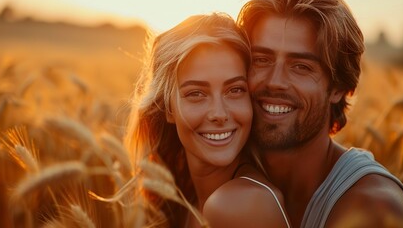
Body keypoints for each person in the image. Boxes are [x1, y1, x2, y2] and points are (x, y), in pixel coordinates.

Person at [236, 0, 403, 227]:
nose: (274, 81)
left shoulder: (374, 210)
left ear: (339, 87)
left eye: (301, 66)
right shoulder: (220, 176)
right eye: (261, 59)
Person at [124, 12, 290, 228]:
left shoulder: (243, 204)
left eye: (235, 90)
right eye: (196, 94)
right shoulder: (184, 199)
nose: (219, 114)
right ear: (168, 109)